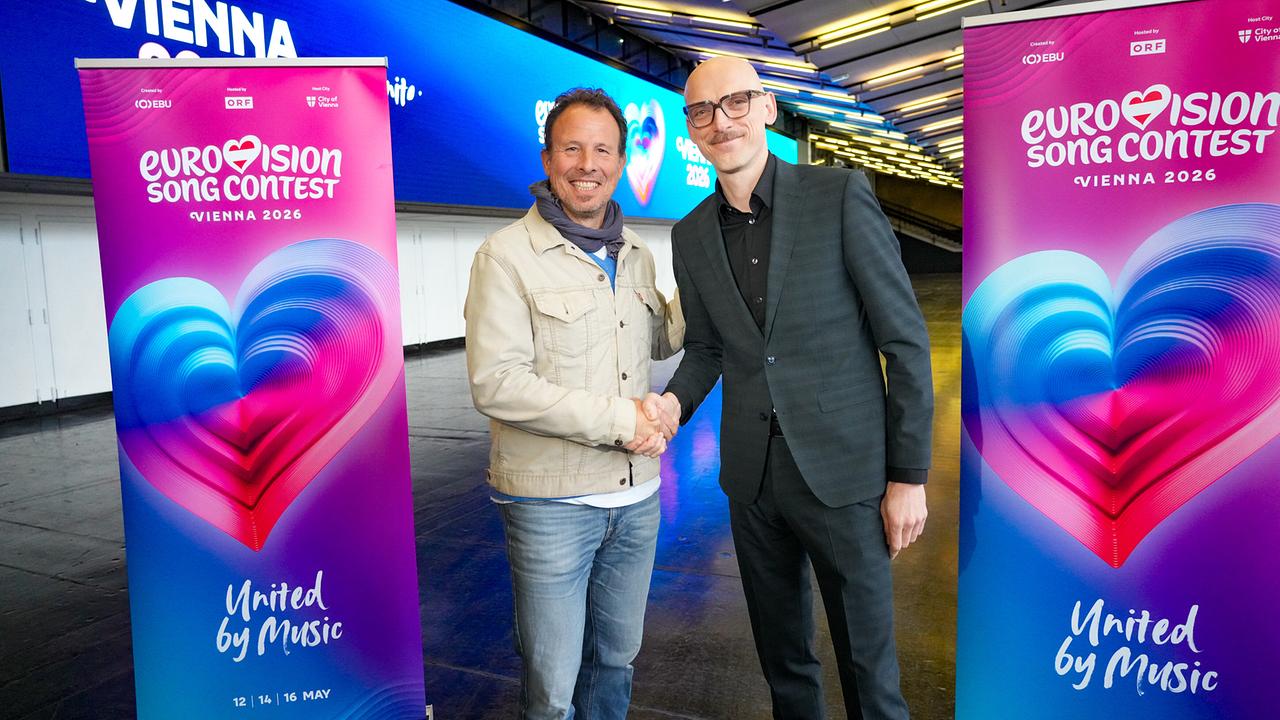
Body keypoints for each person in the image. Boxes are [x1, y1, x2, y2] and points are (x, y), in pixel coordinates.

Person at [643, 57, 933, 720]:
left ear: (768, 108)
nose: (722, 121)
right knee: (784, 663)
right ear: (690, 128)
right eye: (702, 111)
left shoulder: (838, 196)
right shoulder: (689, 235)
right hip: (751, 482)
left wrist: (908, 477)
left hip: (844, 477)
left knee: (869, 669)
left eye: (737, 102)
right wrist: (672, 405)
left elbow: (905, 343)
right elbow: (709, 349)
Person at [464, 86, 684, 720]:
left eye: (603, 150)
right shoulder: (505, 257)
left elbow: (663, 335)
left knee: (615, 661)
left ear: (620, 163)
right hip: (550, 506)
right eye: (572, 148)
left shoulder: (636, 252)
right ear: (547, 159)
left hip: (637, 497)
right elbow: (498, 383)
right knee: (553, 686)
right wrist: (624, 422)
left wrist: (714, 283)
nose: (588, 163)